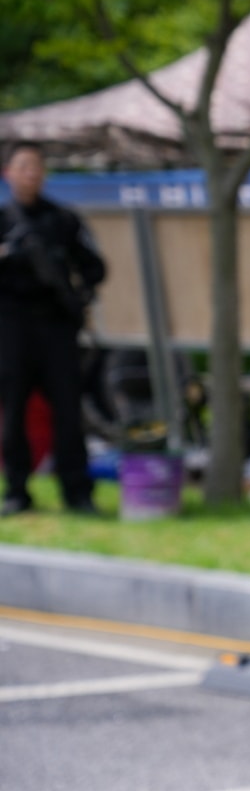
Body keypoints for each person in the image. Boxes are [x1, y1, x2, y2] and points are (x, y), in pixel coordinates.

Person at [0, 141, 106, 516]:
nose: (32, 173)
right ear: (8, 173)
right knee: (11, 415)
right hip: (11, 328)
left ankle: (77, 492)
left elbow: (95, 267)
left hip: (57, 327)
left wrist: (77, 291)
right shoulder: (4, 219)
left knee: (68, 413)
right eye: (24, 166)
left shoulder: (63, 220)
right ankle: (16, 491)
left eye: (37, 166)